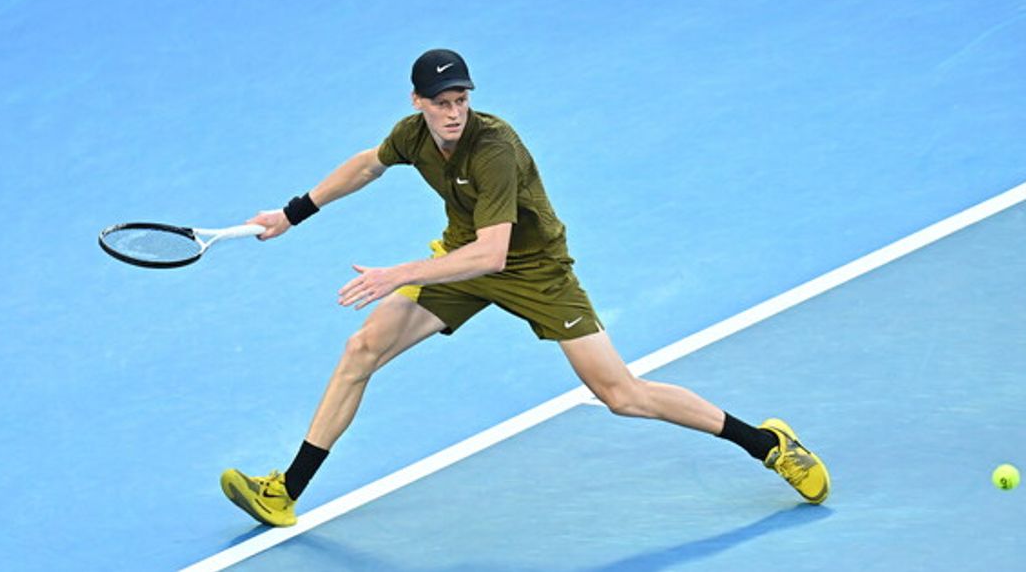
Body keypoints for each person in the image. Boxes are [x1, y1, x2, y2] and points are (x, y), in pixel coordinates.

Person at [220, 49, 830, 527]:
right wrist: (292, 212)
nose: (453, 111)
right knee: (361, 351)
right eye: (441, 102)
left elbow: (496, 253)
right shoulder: (411, 134)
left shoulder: (495, 149)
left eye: (460, 98)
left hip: (535, 270)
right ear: (419, 102)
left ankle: (767, 443)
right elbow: (366, 164)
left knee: (621, 394)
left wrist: (399, 273)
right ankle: (286, 492)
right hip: (463, 260)